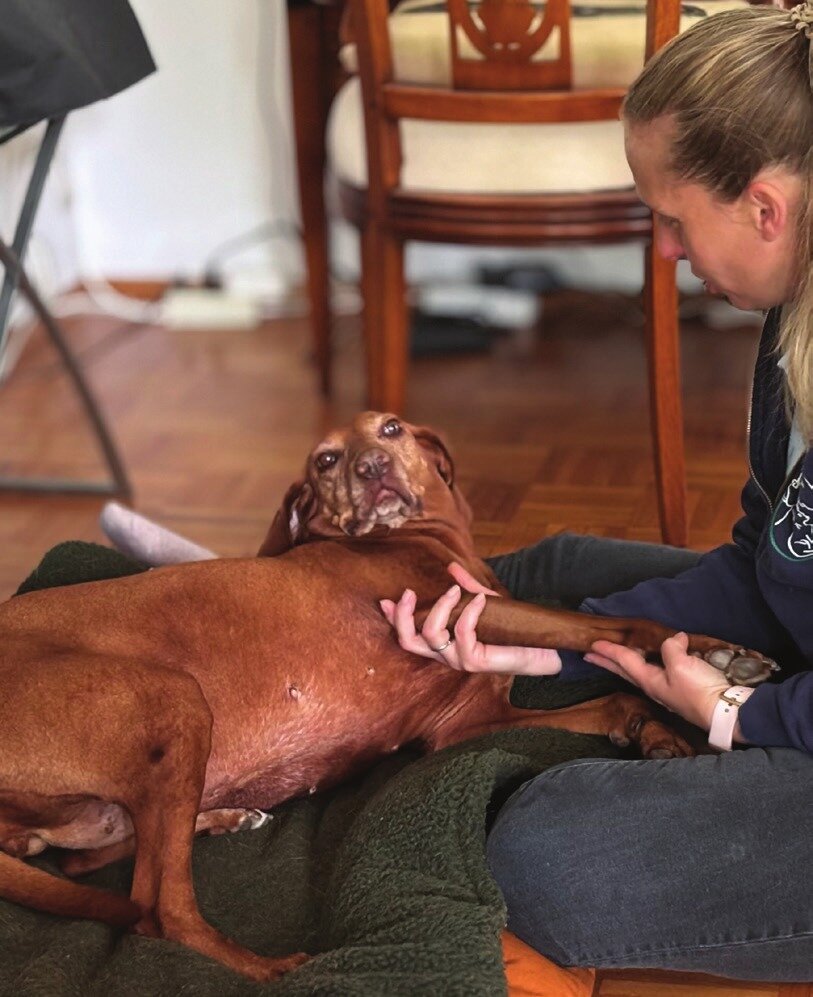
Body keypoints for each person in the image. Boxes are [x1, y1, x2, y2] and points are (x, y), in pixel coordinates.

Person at [380, 1, 813, 981]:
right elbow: (766, 560)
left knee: (548, 853)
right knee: (548, 578)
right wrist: (550, 645)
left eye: (672, 219)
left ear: (765, 209)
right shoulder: (793, 321)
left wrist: (740, 717)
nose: (663, 250)